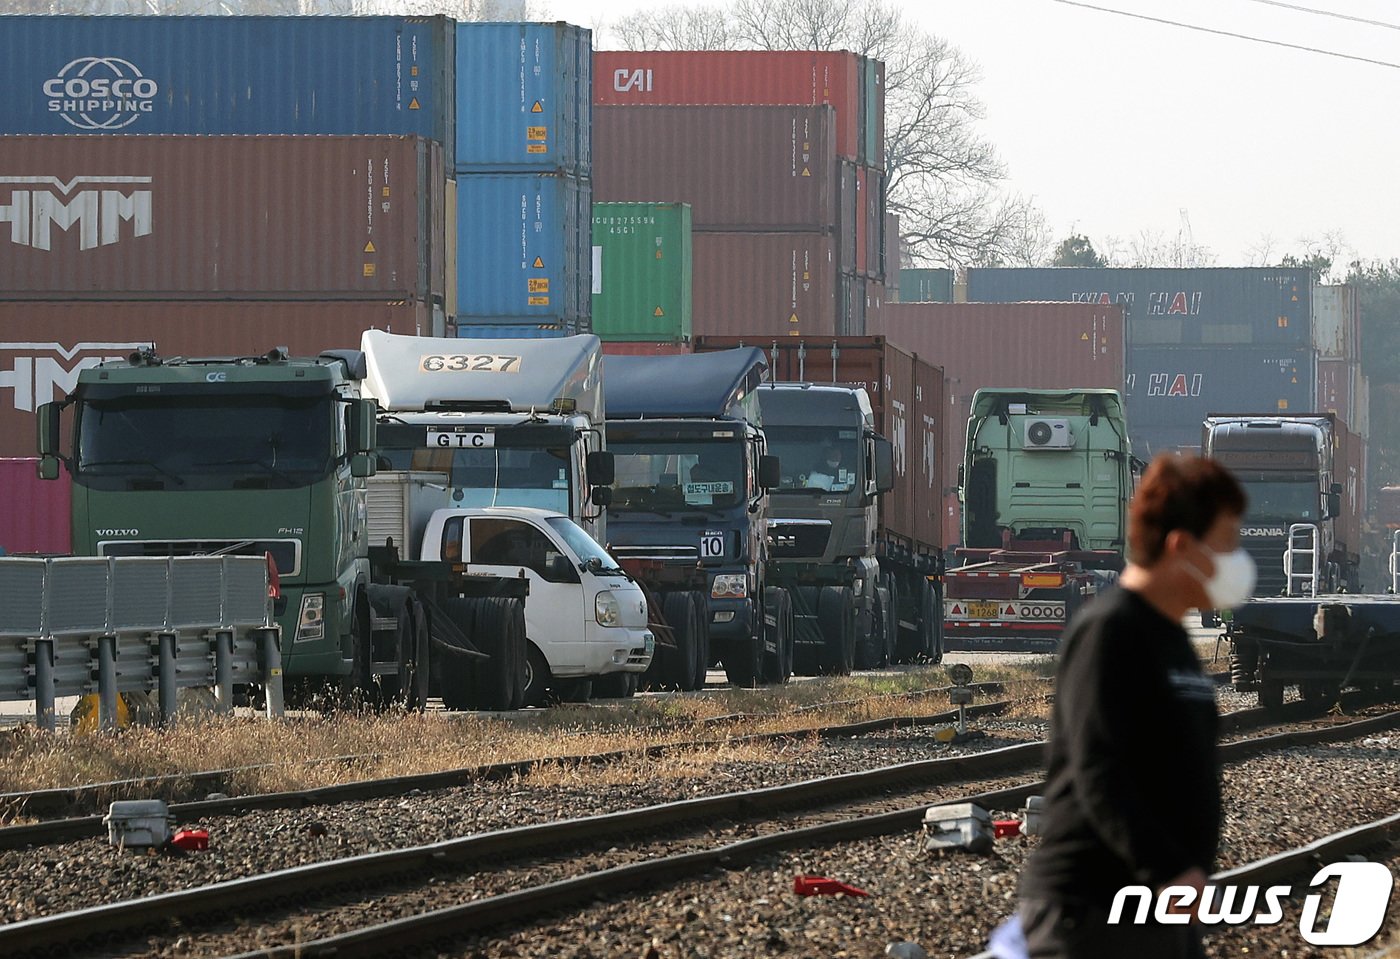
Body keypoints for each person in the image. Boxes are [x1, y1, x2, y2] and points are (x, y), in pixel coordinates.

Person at [1014, 454, 1253, 959]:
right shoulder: (1111, 631)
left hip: (1158, 906)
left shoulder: (1173, 638)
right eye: (1227, 543)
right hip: (1093, 910)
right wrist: (1168, 869)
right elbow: (1098, 768)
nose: (1237, 559)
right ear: (1181, 546)